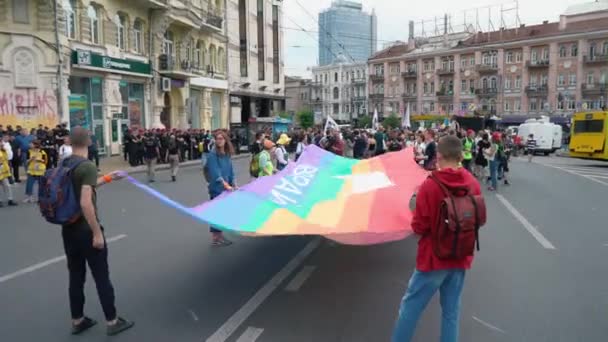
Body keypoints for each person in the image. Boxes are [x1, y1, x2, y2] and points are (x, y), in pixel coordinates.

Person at [392, 135, 481, 342]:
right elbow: (477, 219)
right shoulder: (472, 183)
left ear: (438, 155)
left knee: (410, 308)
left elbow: (419, 227)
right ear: (460, 155)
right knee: (451, 312)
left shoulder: (430, 185)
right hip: (460, 257)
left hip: (433, 258)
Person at [60, 127, 134, 336]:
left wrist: (109, 178)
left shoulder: (65, 163)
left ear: (70, 142)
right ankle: (112, 321)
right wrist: (96, 233)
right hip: (85, 230)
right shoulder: (87, 166)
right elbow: (85, 202)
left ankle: (78, 320)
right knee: (101, 276)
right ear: (89, 142)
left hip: (68, 229)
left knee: (75, 276)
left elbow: (87, 186)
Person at [205, 130, 235, 246]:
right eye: (217, 139)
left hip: (226, 187)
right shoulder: (213, 154)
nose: (219, 141)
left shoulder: (226, 154)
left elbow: (230, 169)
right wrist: (224, 184)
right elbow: (215, 171)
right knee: (216, 212)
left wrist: (233, 182)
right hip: (217, 188)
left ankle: (219, 235)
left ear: (225, 140)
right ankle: (216, 238)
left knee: (222, 213)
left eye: (221, 138)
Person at [0, 137, 17, 207]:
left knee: (7, 186)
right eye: (1, 143)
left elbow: (7, 159)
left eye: (2, 143)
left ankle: (10, 199)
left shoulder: (3, 151)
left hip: (3, 172)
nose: (2, 144)